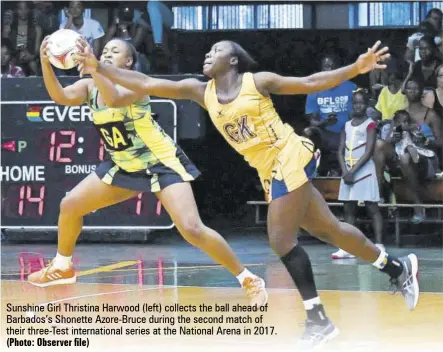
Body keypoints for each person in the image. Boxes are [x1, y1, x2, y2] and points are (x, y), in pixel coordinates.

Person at [75, 39, 420, 349]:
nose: (209, 53)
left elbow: (311, 83)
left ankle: (319, 321)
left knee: (281, 239)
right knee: (329, 230)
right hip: (269, 169)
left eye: (218, 50)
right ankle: (396, 268)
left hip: (289, 155)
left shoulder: (259, 82)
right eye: (208, 51)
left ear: (235, 60)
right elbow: (148, 83)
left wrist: (356, 68)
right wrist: (98, 67)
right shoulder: (201, 91)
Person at [28, 37, 268, 309]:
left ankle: (248, 278)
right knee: (70, 205)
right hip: (124, 164)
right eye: (104, 50)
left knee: (191, 229)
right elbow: (60, 96)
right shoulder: (87, 86)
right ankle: (62, 266)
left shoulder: (135, 83)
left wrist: (95, 68)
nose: (107, 53)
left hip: (160, 162)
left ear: (127, 62)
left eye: (115, 51)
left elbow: (115, 99)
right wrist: (45, 62)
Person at [375, 79, 441, 223]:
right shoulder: (399, 115)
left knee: (406, 157)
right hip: (400, 154)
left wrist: (425, 140)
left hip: (424, 159)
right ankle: (378, 193)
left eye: (416, 89)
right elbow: (388, 140)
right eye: (409, 89)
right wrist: (394, 137)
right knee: (380, 144)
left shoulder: (430, 115)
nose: (412, 92)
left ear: (421, 92)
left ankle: (418, 205)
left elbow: (440, 142)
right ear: (405, 93)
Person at [333, 89, 384, 260]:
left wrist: (353, 172)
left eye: (361, 103)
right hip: (348, 171)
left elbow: (369, 151)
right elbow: (340, 150)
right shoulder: (346, 125)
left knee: (372, 207)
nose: (358, 106)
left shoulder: (370, 124)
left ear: (367, 104)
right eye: (355, 103)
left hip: (364, 171)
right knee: (348, 208)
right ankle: (348, 246)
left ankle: (379, 245)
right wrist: (345, 171)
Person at [305, 55, 357, 176]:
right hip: (326, 134)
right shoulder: (314, 89)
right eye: (326, 67)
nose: (329, 71)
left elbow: (359, 113)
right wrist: (324, 123)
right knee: (309, 133)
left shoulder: (351, 87)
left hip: (348, 133)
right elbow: (312, 121)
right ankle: (311, 174)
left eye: (333, 67)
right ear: (321, 70)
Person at [2, 1, 42, 76]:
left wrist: (31, 56)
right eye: (20, 8)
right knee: (11, 63)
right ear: (16, 10)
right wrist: (17, 52)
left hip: (31, 57)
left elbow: (37, 50)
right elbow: (5, 48)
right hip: (13, 57)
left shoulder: (37, 29)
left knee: (33, 65)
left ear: (29, 10)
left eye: (25, 8)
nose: (23, 11)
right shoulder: (9, 28)